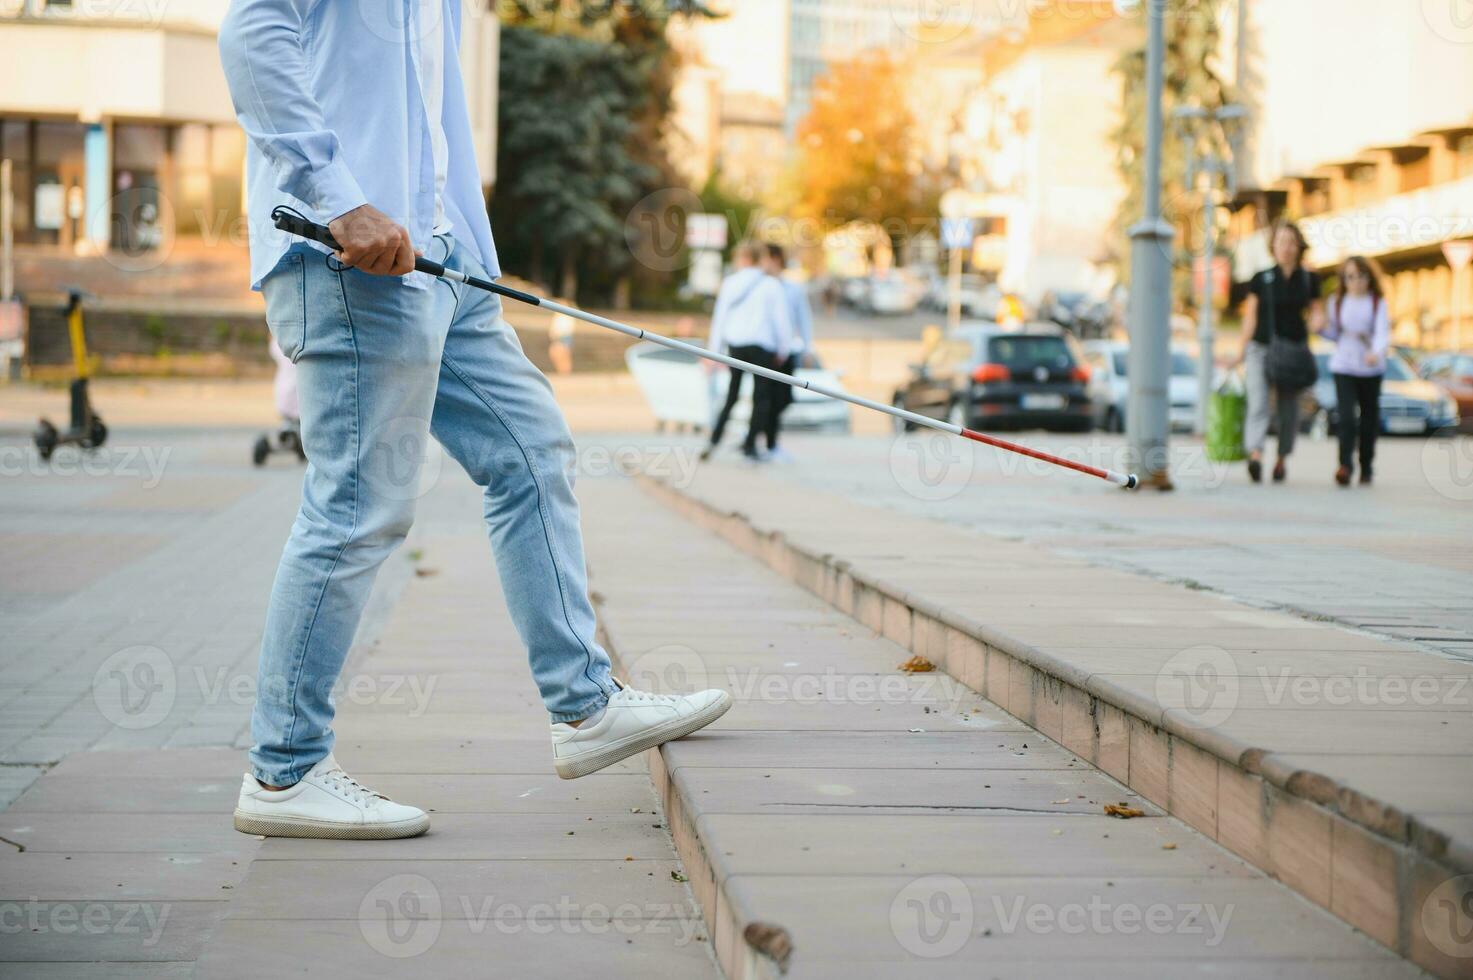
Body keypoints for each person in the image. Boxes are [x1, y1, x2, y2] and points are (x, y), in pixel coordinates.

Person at [218, 0, 730, 841]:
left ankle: (586, 706)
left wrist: (467, 253)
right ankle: (284, 771)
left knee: (532, 452)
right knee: (356, 508)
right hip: (346, 259)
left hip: (440, 261)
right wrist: (340, 199)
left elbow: (428, 114)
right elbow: (250, 36)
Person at [1236, 220, 1324, 483]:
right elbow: (1250, 317)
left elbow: (1319, 313)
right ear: (1272, 246)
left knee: (1289, 411)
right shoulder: (1261, 279)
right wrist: (1239, 352)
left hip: (1293, 353)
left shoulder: (1309, 279)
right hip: (1261, 349)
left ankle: (1282, 458)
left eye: (1291, 242)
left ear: (1299, 246)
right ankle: (1255, 455)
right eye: (1281, 241)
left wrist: (1316, 323)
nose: (1286, 247)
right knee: (1258, 403)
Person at [701, 242, 793, 461]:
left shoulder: (731, 283)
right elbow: (781, 321)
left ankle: (714, 439)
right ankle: (750, 445)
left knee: (732, 395)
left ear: (741, 259)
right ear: (759, 258)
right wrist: (784, 349)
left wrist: (714, 351)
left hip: (737, 345)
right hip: (762, 346)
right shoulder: (771, 285)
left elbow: (720, 319)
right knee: (760, 397)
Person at [1319, 256, 1389, 486]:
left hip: (1370, 369)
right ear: (1344, 279)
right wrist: (1320, 329)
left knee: (1369, 419)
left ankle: (1366, 465)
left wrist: (1375, 353)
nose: (1356, 282)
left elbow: (1382, 334)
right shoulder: (1337, 302)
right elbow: (1335, 334)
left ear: (1369, 278)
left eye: (1361, 276)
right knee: (1347, 416)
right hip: (1344, 366)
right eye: (1350, 277)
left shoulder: (1377, 303)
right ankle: (1345, 465)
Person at [760, 243, 814, 462]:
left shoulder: (793, 288)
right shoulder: (760, 286)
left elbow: (803, 319)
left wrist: (808, 347)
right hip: (766, 349)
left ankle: (765, 433)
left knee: (783, 397)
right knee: (765, 398)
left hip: (787, 350)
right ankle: (766, 440)